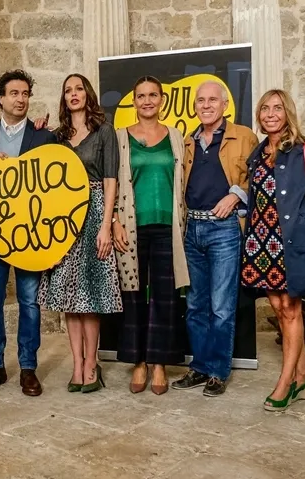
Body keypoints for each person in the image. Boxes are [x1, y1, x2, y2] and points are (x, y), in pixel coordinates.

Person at [240, 89, 305, 411]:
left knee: (291, 308)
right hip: (260, 238)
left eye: (277, 108)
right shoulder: (258, 153)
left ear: (287, 112)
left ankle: (285, 382)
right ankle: (303, 374)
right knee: (279, 308)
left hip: (291, 238)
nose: (270, 114)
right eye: (264, 108)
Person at [0, 69, 55, 397]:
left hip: (31, 235)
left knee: (29, 301)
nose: (21, 99)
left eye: (25, 94)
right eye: (14, 94)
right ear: (1, 99)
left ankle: (28, 368)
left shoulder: (43, 137)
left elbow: (52, 189)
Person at [172, 80, 259, 397]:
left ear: (225, 104)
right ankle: (200, 366)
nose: (206, 105)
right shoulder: (187, 142)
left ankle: (218, 372)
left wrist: (235, 195)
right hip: (191, 230)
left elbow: (258, 178)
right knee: (195, 305)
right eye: (200, 101)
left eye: (212, 100)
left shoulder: (243, 136)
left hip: (224, 231)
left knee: (221, 307)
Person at [37, 73, 122, 393]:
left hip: (96, 212)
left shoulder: (104, 132)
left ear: (88, 94)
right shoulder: (56, 137)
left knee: (91, 294)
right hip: (64, 217)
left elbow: (111, 180)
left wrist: (106, 225)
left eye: (79, 89)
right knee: (69, 297)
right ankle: (76, 364)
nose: (74, 94)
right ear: (64, 98)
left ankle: (91, 365)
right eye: (68, 90)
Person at [113, 76, 189, 395]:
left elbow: (183, 180)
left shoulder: (175, 136)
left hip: (168, 227)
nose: (147, 101)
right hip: (131, 226)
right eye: (141, 96)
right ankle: (139, 361)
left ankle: (159, 362)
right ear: (134, 101)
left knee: (165, 295)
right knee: (133, 294)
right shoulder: (119, 138)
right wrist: (115, 219)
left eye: (153, 95)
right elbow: (112, 182)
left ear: (162, 100)